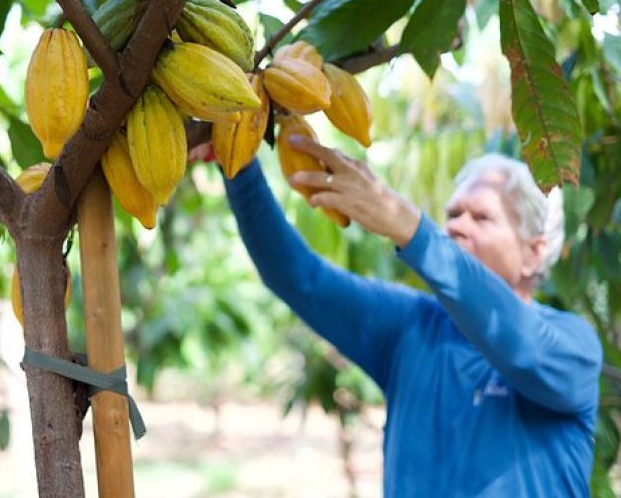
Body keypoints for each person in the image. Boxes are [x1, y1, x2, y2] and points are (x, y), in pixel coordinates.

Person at [200, 137, 602, 497]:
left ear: (534, 252)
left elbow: (520, 345)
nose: (457, 226)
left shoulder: (574, 348)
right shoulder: (413, 326)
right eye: (453, 213)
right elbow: (298, 276)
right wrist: (239, 164)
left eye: (481, 218)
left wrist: (409, 227)